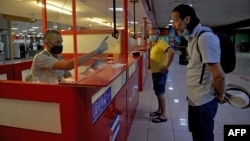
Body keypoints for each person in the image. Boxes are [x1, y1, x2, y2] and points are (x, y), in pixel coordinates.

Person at [172, 4, 226, 141]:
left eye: (175, 20)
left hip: (204, 101)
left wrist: (221, 94)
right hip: (194, 99)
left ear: (187, 19)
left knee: (203, 137)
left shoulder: (205, 38)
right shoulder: (192, 38)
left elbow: (218, 75)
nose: (174, 25)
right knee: (196, 134)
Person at [26, 29, 108, 83]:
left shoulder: (59, 57)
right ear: (46, 44)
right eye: (57, 42)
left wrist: (89, 70)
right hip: (42, 96)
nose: (60, 45)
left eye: (61, 42)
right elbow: (67, 66)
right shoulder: (40, 57)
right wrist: (95, 52)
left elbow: (70, 77)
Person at [148, 27, 175, 123]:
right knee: (157, 92)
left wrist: (167, 66)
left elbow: (172, 52)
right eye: (150, 34)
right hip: (155, 72)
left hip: (160, 72)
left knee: (160, 93)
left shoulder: (161, 43)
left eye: (152, 34)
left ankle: (163, 115)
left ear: (157, 34)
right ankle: (159, 110)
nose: (151, 36)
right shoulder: (154, 44)